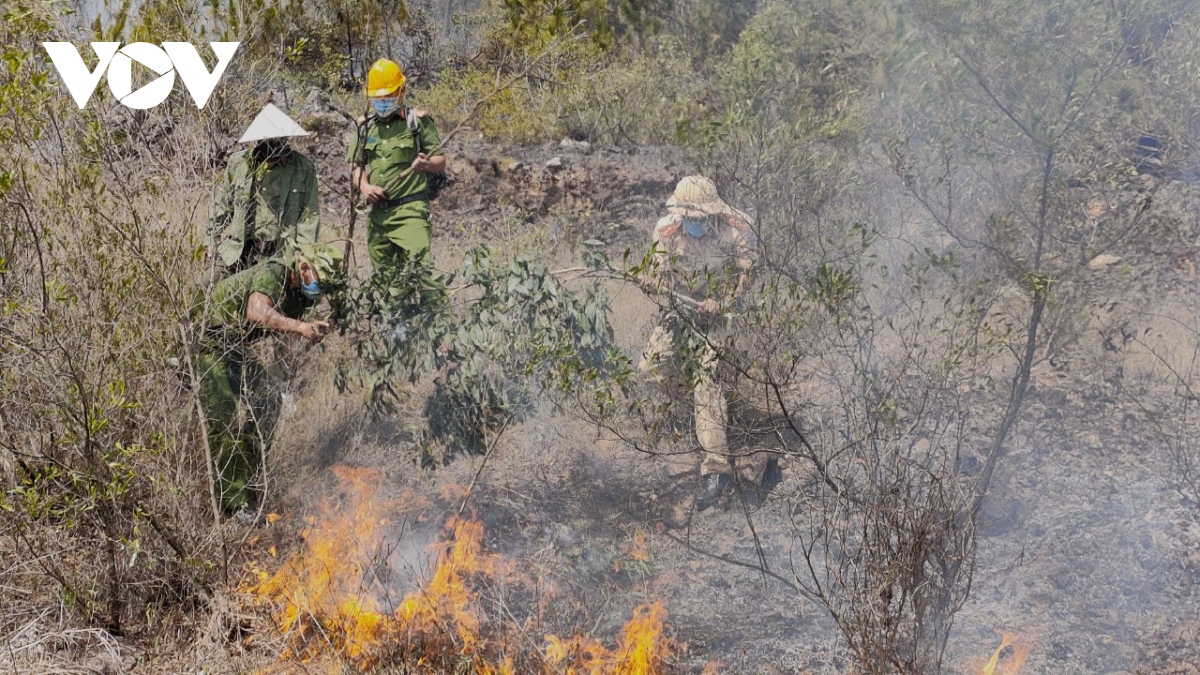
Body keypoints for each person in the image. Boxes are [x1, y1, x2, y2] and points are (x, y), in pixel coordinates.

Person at [638, 175, 764, 510]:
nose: (694, 224)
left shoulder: (736, 227)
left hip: (721, 314)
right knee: (651, 367)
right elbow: (658, 270)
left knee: (706, 381)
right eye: (689, 219)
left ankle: (715, 468)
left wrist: (723, 301)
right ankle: (691, 415)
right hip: (682, 311)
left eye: (700, 219)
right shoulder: (667, 229)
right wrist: (651, 280)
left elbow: (746, 276)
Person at [196, 243, 342, 524]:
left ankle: (247, 484)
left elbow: (287, 332)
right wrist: (300, 327)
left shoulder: (300, 295)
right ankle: (233, 502)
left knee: (268, 401)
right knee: (222, 412)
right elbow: (257, 311)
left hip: (232, 345)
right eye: (318, 280)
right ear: (303, 268)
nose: (318, 289)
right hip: (206, 338)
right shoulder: (275, 271)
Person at [346, 58, 446, 300]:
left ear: (401, 91)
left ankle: (443, 327)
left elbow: (440, 161)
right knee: (386, 280)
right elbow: (355, 165)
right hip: (379, 214)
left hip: (410, 209)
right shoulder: (364, 126)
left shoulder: (417, 121)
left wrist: (425, 164)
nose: (382, 102)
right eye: (377, 98)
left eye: (388, 95)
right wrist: (364, 186)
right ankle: (398, 330)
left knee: (422, 273)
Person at [207, 104, 320, 276]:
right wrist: (211, 240)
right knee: (207, 284)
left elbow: (309, 216)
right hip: (239, 248)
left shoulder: (303, 168)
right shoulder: (239, 163)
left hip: (280, 252)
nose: (274, 144)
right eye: (268, 140)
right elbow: (222, 206)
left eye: (279, 139)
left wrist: (304, 255)